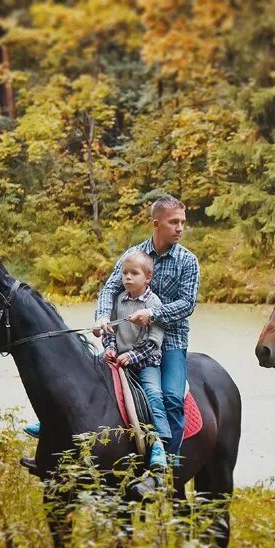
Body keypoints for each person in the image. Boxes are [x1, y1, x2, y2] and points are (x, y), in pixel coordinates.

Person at [94, 195, 200, 466]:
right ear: (156, 224)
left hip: (171, 339)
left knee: (172, 396)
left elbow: (187, 304)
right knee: (87, 378)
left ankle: (168, 458)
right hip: (126, 338)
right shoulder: (133, 257)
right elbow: (110, 288)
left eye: (182, 223)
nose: (180, 228)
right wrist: (104, 316)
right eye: (173, 222)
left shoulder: (188, 261)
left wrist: (152, 314)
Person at [99, 251, 170, 471]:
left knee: (153, 394)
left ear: (147, 277)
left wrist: (131, 356)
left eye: (134, 273)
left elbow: (153, 342)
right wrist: (110, 347)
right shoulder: (119, 299)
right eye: (124, 273)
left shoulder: (154, 304)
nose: (127, 277)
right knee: (86, 374)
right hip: (118, 359)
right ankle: (52, 424)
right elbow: (110, 330)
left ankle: (159, 443)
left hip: (145, 362)